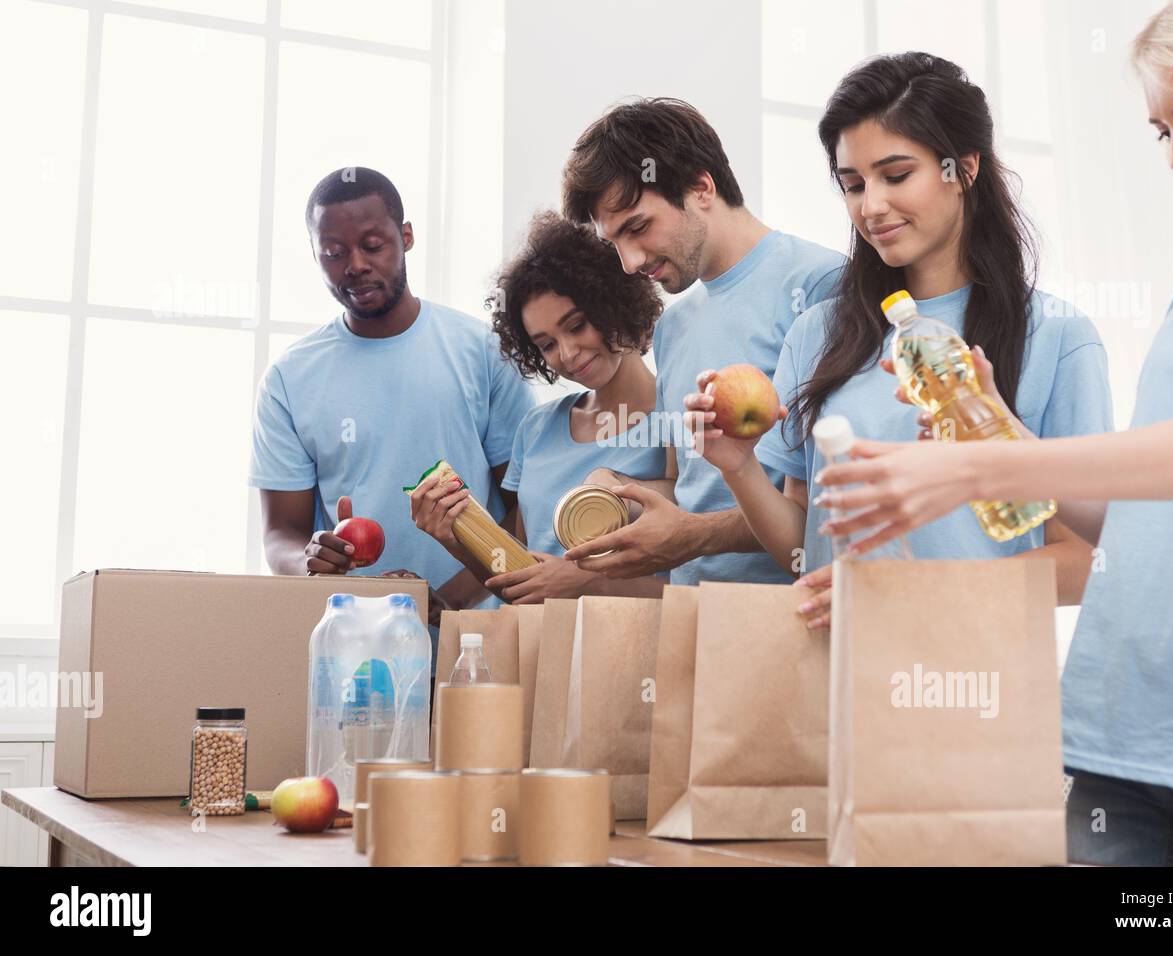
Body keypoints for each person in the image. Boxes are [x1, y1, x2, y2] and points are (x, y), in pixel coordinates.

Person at [817, 0, 1173, 865]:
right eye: (1164, 131)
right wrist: (994, 434)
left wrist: (976, 474)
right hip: (1122, 734)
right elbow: (1130, 526)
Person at [682, 52, 1113, 628]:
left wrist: (914, 593)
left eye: (896, 175)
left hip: (978, 666)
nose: (872, 206)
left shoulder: (1057, 336)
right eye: (853, 185)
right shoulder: (819, 334)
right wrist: (739, 468)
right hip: (838, 664)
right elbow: (805, 548)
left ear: (963, 169)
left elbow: (1085, 559)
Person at [557, 97, 846, 587]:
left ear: (701, 187)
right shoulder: (672, 326)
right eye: (614, 243)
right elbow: (690, 486)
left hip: (785, 614)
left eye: (638, 227)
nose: (629, 262)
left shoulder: (821, 286)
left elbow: (823, 513)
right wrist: (624, 492)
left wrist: (694, 536)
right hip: (690, 613)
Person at [250, 167, 535, 626]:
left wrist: (448, 602)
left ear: (406, 237)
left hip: (474, 634)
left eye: (372, 245)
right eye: (334, 252)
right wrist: (308, 561)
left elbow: (524, 505)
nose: (355, 265)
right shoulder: (289, 377)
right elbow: (281, 533)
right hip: (350, 637)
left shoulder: (483, 351)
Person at [411, 211, 666, 602]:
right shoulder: (537, 429)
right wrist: (454, 538)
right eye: (546, 344)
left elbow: (697, 581)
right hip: (538, 639)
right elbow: (523, 578)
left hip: (634, 640)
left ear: (615, 301)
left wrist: (588, 583)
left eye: (577, 325)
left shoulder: (677, 421)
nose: (568, 353)